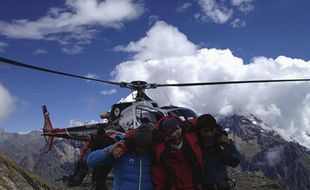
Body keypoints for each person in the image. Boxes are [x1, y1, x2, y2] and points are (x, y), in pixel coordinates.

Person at [87, 124, 154, 190]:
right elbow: (90, 161)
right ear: (134, 142)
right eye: (139, 147)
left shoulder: (152, 154)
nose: (142, 150)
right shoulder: (121, 152)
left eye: (145, 147)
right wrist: (109, 150)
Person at [152, 116, 203, 190]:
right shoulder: (161, 152)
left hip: (193, 185)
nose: (176, 137)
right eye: (171, 135)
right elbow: (138, 134)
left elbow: (204, 121)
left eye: (178, 132)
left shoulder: (190, 140)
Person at [196, 114, 240, 190]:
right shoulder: (194, 145)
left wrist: (227, 144)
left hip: (221, 185)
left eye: (211, 130)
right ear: (199, 131)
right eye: (205, 131)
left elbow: (235, 161)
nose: (209, 134)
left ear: (215, 129)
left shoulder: (222, 142)